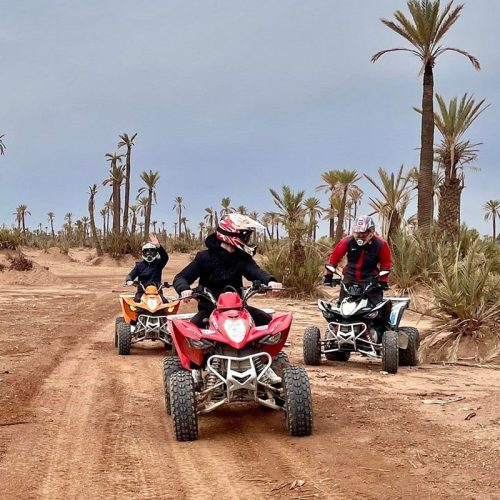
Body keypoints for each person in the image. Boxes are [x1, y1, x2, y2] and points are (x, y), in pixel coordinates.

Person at [173, 213, 282, 328]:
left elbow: (255, 271)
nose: (247, 239)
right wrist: (184, 289)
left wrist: (270, 281)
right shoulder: (204, 258)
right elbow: (181, 277)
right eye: (244, 236)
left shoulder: (241, 257)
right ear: (232, 234)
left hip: (239, 309)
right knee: (193, 329)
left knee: (268, 323)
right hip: (210, 310)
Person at [324, 215, 392, 305]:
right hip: (349, 278)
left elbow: (386, 263)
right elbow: (334, 257)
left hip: (370, 279)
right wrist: (328, 276)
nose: (360, 236)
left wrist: (383, 281)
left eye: (363, 233)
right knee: (342, 306)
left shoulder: (380, 244)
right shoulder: (347, 241)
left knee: (377, 308)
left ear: (371, 232)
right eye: (357, 233)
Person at [126, 233, 169, 302]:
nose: (149, 253)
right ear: (143, 253)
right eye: (147, 251)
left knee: (165, 303)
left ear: (156, 253)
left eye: (152, 251)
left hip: (157, 292)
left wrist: (158, 246)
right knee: (135, 304)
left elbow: (165, 257)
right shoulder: (139, 265)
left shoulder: (159, 263)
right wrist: (129, 281)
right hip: (142, 291)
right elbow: (131, 275)